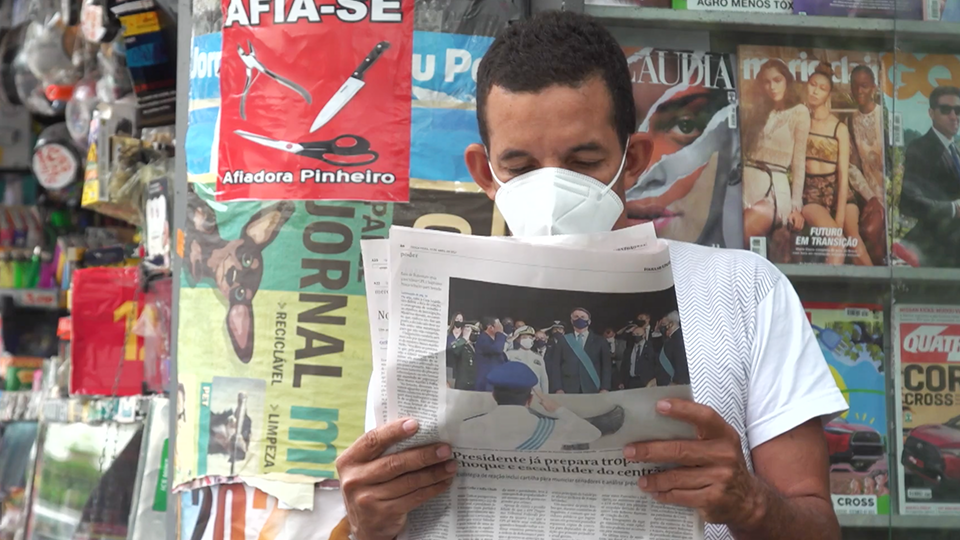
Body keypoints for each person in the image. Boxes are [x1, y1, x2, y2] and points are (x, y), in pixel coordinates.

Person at [341, 12, 846, 540]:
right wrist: (365, 525)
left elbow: (817, 526)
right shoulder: (425, 300)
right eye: (520, 167)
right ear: (483, 174)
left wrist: (751, 504)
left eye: (583, 161)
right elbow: (382, 509)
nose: (552, 188)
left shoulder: (744, 290)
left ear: (634, 162)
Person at [802, 62, 871, 266]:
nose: (815, 91)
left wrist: (840, 215)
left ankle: (878, 290)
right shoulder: (801, 121)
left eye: (822, 88)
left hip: (840, 192)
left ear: (828, 94)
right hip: (812, 193)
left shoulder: (839, 127)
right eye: (813, 85)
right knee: (835, 241)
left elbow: (843, 173)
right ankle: (830, 293)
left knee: (855, 244)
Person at [741, 59, 810, 254]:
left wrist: (797, 208)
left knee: (739, 235)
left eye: (777, 80)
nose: (772, 87)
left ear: (787, 81)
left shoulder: (800, 112)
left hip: (773, 188)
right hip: (746, 183)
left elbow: (798, 162)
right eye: (766, 82)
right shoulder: (758, 112)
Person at [455, 362, 601, 451]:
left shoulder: (468, 427)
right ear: (530, 399)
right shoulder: (551, 429)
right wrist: (558, 408)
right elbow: (593, 433)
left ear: (494, 395)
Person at [899, 85, 960, 267]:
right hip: (935, 252)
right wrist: (954, 209)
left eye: (958, 110)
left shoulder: (955, 150)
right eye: (945, 110)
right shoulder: (921, 148)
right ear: (931, 113)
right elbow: (909, 201)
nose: (954, 116)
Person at [846, 65, 887, 265]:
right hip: (870, 196)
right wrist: (871, 197)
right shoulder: (849, 121)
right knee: (869, 233)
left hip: (894, 196)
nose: (859, 91)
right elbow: (852, 166)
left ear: (874, 88)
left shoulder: (886, 116)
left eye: (864, 86)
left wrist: (888, 198)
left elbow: (899, 161)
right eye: (855, 86)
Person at [546, 308, 612, 394]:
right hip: (568, 389)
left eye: (583, 317)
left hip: (593, 388)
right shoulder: (563, 340)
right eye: (576, 317)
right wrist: (558, 388)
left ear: (589, 321)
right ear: (571, 320)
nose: (579, 319)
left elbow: (606, 366)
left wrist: (605, 387)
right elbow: (556, 366)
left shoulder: (600, 341)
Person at [506, 325, 549, 394]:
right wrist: (508, 341)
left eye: (530, 337)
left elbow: (544, 380)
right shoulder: (510, 354)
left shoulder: (538, 357)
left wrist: (546, 396)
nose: (528, 339)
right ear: (517, 339)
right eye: (524, 337)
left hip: (536, 395)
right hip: (517, 394)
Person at [619, 317, 660, 389]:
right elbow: (624, 366)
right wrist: (622, 381)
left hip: (646, 382)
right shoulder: (629, 349)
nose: (636, 336)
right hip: (630, 382)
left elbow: (656, 364)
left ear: (643, 335)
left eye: (638, 334)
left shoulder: (651, 347)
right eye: (634, 334)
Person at [652, 311, 690, 386]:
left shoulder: (678, 338)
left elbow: (681, 362)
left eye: (663, 324)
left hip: (675, 385)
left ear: (671, 324)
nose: (662, 327)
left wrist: (677, 382)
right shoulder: (672, 338)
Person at [474, 316, 508, 391]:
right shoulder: (483, 339)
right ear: (490, 327)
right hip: (486, 382)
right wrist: (499, 333)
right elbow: (497, 349)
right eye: (498, 324)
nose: (501, 327)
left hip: (494, 380)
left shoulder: (493, 341)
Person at [449, 322, 479, 390]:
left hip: (474, 382)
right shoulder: (460, 344)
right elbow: (453, 349)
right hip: (463, 383)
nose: (474, 333)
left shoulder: (475, 346)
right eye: (471, 331)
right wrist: (464, 338)